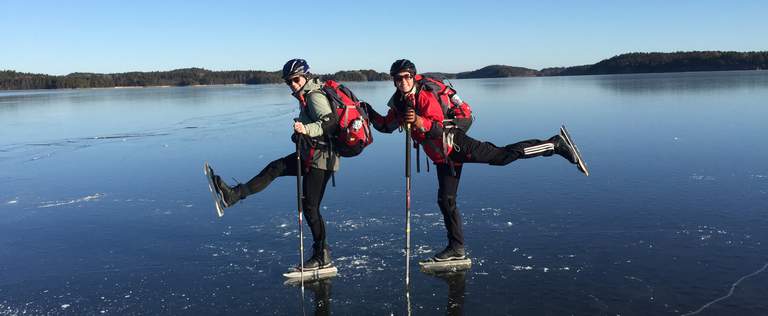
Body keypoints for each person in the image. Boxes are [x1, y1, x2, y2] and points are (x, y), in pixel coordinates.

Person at [365, 59, 588, 262]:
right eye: (398, 78)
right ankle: (456, 248)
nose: (403, 81)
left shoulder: (424, 96)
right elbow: (387, 126)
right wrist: (369, 112)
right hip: (443, 156)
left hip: (456, 145)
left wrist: (419, 121)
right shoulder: (399, 102)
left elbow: (438, 127)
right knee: (446, 200)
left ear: (413, 77)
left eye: (406, 76)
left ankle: (554, 145)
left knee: (501, 157)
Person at [206, 58, 339, 270]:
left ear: (306, 76)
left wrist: (306, 130)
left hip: (322, 160)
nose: (293, 84)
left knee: (311, 207)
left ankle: (322, 255)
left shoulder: (314, 95)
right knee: (275, 168)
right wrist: (302, 135)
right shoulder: (306, 95)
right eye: (289, 82)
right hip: (311, 154)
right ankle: (233, 195)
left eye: (296, 79)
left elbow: (330, 122)